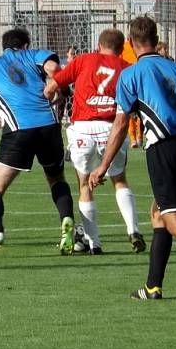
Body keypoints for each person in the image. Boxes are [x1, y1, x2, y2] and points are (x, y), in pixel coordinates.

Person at [89, 16, 176, 302]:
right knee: (159, 212)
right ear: (156, 40)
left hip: (164, 148)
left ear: (131, 43)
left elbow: (120, 125)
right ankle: (153, 287)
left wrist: (103, 166)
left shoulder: (131, 75)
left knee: (174, 216)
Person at [0, 27, 75, 257]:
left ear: (4, 46)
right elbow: (54, 69)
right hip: (49, 126)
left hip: (19, 131)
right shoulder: (35, 55)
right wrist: (59, 90)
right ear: (25, 45)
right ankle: (67, 224)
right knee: (56, 178)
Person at [44, 28, 144, 255]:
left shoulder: (83, 60)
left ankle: (94, 243)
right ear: (121, 49)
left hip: (82, 129)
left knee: (84, 185)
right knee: (119, 180)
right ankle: (133, 230)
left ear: (99, 45)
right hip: (112, 127)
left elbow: (51, 87)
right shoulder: (127, 68)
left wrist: (52, 100)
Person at [122, 39, 143, 148]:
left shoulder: (140, 45)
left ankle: (139, 137)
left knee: (138, 111)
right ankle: (134, 139)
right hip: (130, 81)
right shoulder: (124, 46)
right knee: (131, 111)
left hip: (137, 80)